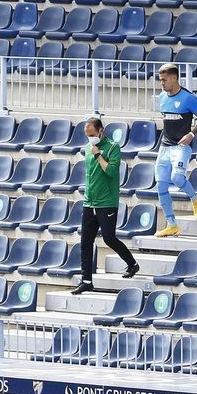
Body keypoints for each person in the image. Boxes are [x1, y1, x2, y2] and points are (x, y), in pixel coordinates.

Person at [73, 116, 139, 295]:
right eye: (87, 135)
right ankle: (86, 281)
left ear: (101, 131)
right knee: (85, 242)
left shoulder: (112, 147)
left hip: (107, 202)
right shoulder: (87, 147)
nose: (90, 138)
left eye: (92, 134)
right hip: (90, 201)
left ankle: (132, 264)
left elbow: (111, 171)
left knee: (109, 238)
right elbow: (90, 174)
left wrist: (97, 154)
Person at [153, 63, 197, 238]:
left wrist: (191, 134)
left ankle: (195, 199)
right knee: (161, 186)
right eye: (160, 80)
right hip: (165, 146)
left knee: (177, 178)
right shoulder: (162, 97)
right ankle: (172, 225)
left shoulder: (188, 98)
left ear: (174, 78)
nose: (161, 83)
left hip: (181, 146)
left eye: (164, 80)